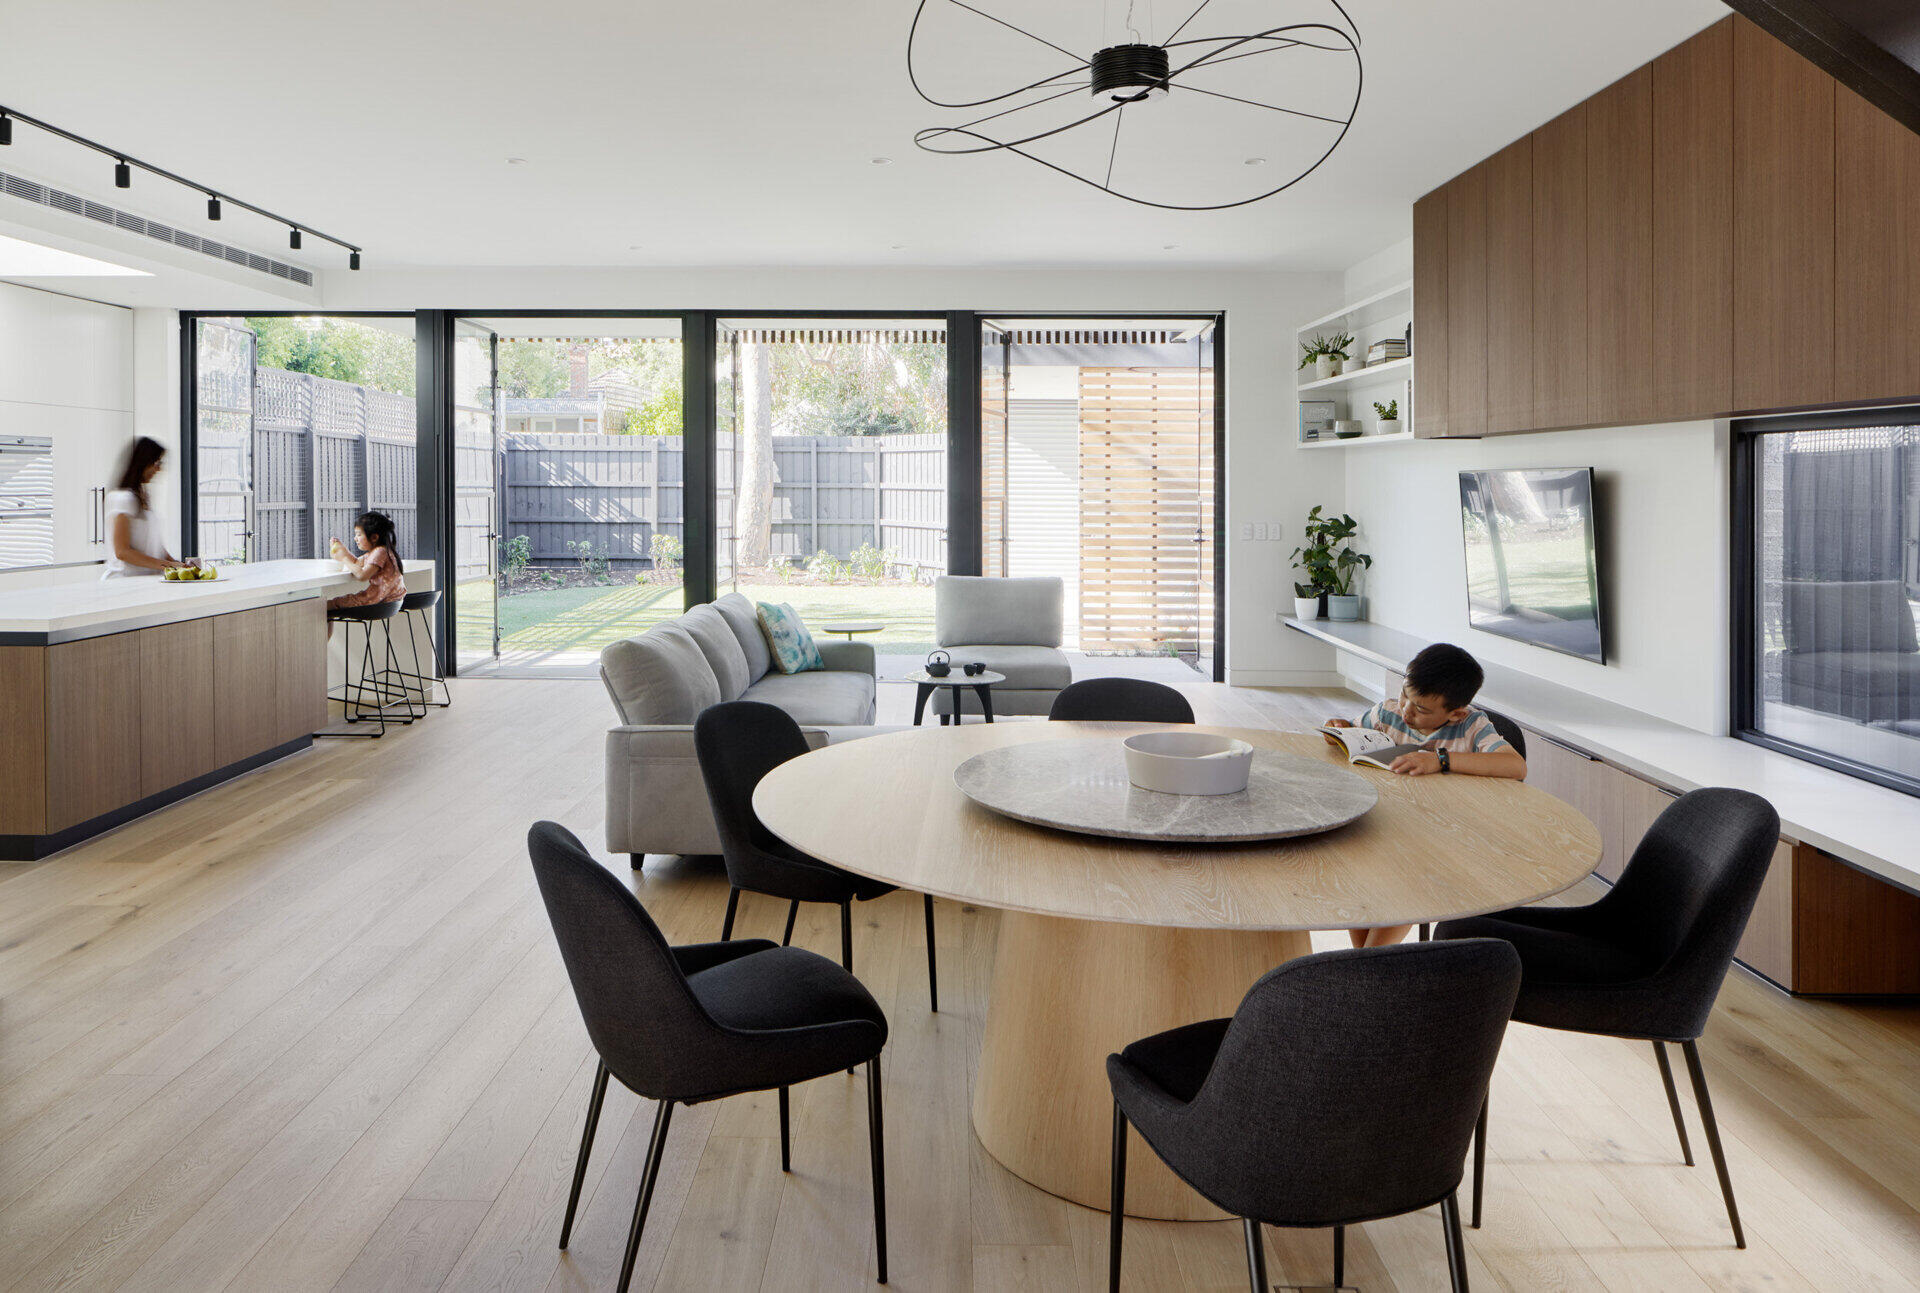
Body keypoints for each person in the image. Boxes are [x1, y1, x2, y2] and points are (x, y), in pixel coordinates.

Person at [1325, 641, 1527, 948]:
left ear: (1456, 713)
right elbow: (1353, 734)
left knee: (1406, 881)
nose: (1406, 710)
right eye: (1406, 694)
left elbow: (1515, 765)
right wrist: (1337, 730)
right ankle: (1365, 961)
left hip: (1444, 839)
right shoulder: (1388, 713)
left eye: (1421, 708)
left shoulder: (1472, 727)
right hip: (1389, 825)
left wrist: (1441, 759)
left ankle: (1366, 964)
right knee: (1355, 866)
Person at [103, 436, 192, 578]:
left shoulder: (141, 496)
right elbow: (122, 552)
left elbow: (153, 545)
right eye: (156, 462)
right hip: (124, 582)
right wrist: (169, 566)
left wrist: (177, 564)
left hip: (145, 580)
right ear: (143, 462)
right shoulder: (122, 498)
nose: (159, 469)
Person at [326, 510, 406, 616]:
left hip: (376, 602)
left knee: (329, 605)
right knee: (329, 606)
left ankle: (325, 633)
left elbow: (362, 576)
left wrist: (344, 558)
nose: (355, 539)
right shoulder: (380, 551)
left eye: (359, 534)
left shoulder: (380, 552)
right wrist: (342, 549)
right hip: (388, 603)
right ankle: (326, 632)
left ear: (374, 537)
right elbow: (356, 562)